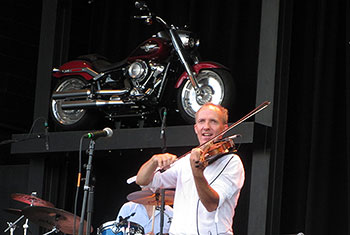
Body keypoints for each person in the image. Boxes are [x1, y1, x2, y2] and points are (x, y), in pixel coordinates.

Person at [136, 103, 245, 235]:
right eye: (201, 121)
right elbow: (142, 181)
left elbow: (211, 204)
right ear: (196, 128)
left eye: (213, 122)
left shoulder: (231, 162)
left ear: (225, 128)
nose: (206, 127)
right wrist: (153, 161)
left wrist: (196, 171)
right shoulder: (185, 161)